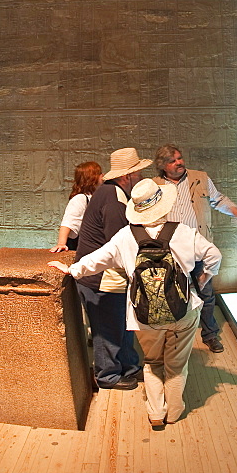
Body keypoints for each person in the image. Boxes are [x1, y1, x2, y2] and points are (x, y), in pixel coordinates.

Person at [50, 178, 221, 428]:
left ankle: (155, 413)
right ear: (164, 205)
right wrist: (204, 279)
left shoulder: (125, 237)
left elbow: (98, 259)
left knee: (152, 363)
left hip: (143, 313)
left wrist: (71, 270)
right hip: (183, 311)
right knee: (176, 365)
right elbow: (214, 255)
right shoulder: (184, 232)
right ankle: (174, 412)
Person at [73, 146, 152, 390]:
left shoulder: (111, 193)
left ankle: (128, 366)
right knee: (108, 330)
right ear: (126, 176)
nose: (141, 177)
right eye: (138, 173)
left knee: (122, 324)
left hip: (104, 276)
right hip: (101, 279)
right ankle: (108, 375)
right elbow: (118, 244)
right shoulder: (115, 200)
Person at [154, 144, 237, 353]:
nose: (179, 163)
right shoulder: (155, 184)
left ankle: (209, 334)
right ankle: (172, 337)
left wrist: (233, 209)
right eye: (173, 161)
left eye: (180, 158)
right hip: (172, 252)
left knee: (206, 293)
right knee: (170, 295)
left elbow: (217, 199)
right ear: (163, 166)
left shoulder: (199, 177)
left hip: (198, 248)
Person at [50, 161, 103, 253]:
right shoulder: (80, 198)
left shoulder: (94, 198)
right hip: (80, 249)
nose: (103, 176)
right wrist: (61, 243)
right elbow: (68, 223)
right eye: (99, 173)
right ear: (92, 178)